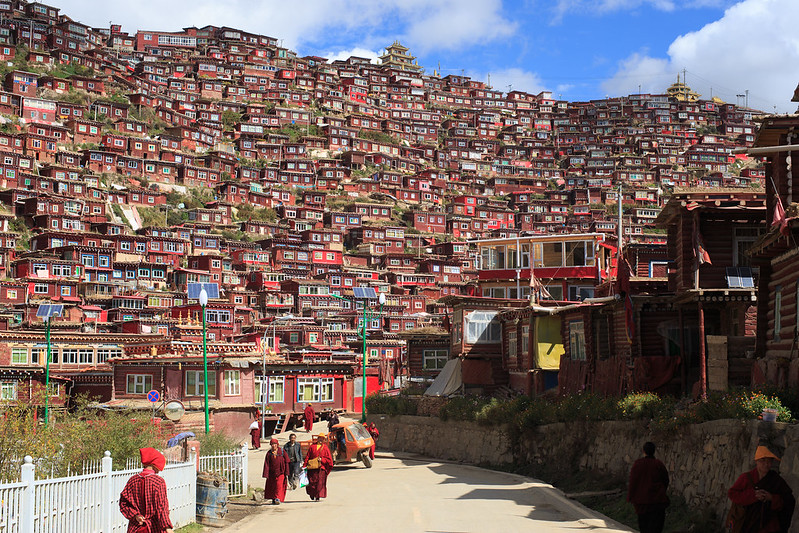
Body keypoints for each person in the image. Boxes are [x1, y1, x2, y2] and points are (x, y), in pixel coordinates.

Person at [728, 445, 795, 533]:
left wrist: (771, 498)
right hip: (748, 523)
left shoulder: (776, 479)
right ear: (756, 461)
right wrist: (753, 495)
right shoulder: (746, 478)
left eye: (769, 461)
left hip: (770, 526)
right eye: (762, 461)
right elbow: (732, 494)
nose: (766, 464)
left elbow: (789, 500)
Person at [119, 447, 174, 533]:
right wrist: (167, 527)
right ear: (155, 464)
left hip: (135, 528)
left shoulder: (132, 480)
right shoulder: (158, 482)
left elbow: (123, 503)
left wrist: (135, 515)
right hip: (153, 528)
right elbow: (161, 507)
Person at [627, 441, 669, 533]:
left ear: (643, 451)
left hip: (642, 504)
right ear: (654, 451)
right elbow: (666, 480)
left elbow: (633, 482)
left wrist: (631, 497)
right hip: (657, 503)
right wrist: (661, 492)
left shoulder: (638, 464)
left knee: (644, 528)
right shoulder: (658, 464)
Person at [303, 432, 333, 502]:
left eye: (322, 439)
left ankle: (317, 496)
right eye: (320, 438)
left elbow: (329, 460)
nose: (321, 440)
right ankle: (312, 494)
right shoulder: (312, 446)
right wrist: (304, 466)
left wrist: (322, 460)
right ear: (318, 438)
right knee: (311, 482)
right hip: (312, 468)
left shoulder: (325, 448)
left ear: (324, 440)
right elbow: (307, 456)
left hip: (321, 468)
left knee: (320, 483)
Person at [262, 438, 289, 505]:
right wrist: (266, 474)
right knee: (273, 486)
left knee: (278, 485)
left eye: (275, 444)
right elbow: (267, 464)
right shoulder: (269, 453)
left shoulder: (282, 451)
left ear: (277, 445)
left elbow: (287, 461)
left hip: (281, 472)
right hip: (272, 473)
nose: (273, 445)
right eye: (272, 444)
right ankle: (273, 498)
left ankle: (277, 498)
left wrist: (287, 472)